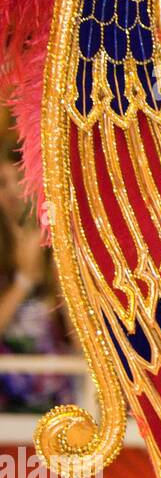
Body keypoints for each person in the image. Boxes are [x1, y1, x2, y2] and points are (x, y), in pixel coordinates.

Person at [0, 144, 75, 413]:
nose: (12, 192)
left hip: (65, 402)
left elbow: (81, 341)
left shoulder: (61, 248)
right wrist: (24, 282)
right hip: (8, 408)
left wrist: (64, 276)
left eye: (18, 179)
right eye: (2, 184)